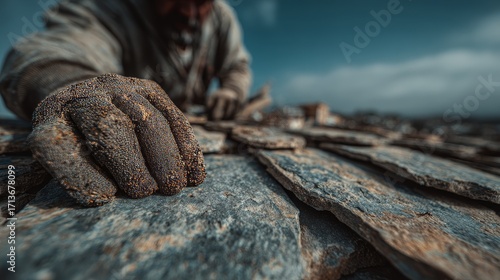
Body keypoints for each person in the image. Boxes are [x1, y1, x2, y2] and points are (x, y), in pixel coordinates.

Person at [0, 0, 252, 206]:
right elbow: (51, 49)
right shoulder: (107, 7)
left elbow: (237, 66)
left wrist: (231, 91)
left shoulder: (222, 17)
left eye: (201, 2)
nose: (188, 12)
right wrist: (73, 84)